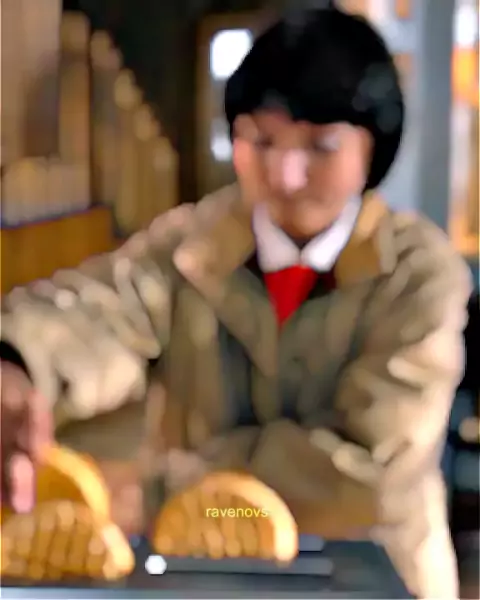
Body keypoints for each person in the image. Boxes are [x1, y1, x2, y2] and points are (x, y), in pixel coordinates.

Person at [0, 3, 471, 597]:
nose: (285, 175)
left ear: (372, 148)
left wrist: (161, 491)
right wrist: (18, 363)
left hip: (374, 574)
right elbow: (101, 311)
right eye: (261, 140)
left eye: (321, 147)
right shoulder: (190, 245)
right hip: (208, 569)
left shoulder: (418, 273)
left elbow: (367, 475)